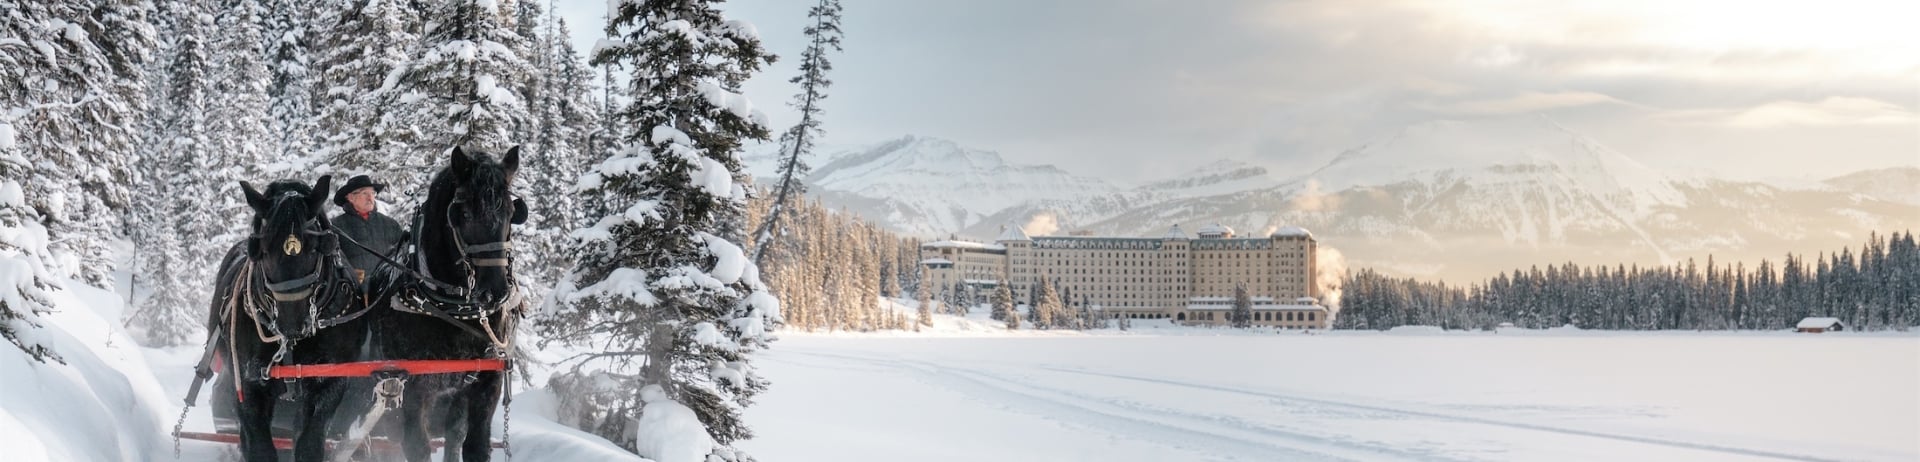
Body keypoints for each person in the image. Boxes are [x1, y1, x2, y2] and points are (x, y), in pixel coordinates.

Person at [331, 175, 407, 283]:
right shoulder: (335, 227)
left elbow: (404, 255)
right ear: (350, 197)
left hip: (388, 291)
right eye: (364, 193)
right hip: (353, 293)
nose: (370, 197)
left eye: (372, 193)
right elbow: (333, 262)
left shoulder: (390, 224)